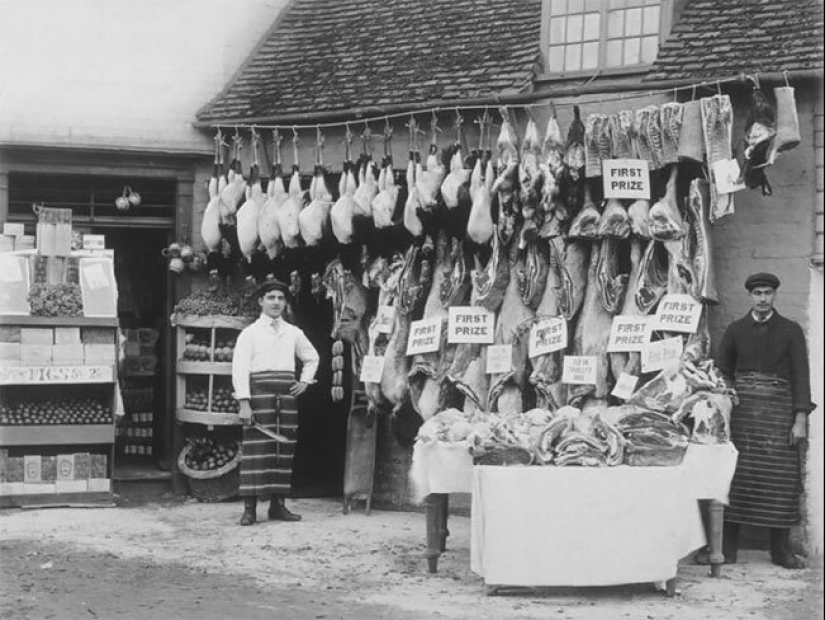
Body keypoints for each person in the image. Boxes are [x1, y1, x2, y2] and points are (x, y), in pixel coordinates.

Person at [713, 272, 815, 568]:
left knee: (781, 481)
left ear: (774, 296)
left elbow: (801, 376)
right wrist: (729, 397)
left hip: (779, 415)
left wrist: (800, 419)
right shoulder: (735, 330)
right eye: (757, 293)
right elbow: (721, 372)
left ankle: (780, 551)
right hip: (742, 416)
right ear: (749, 296)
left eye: (767, 293)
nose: (762, 298)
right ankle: (728, 549)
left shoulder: (790, 330)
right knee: (737, 477)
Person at [232, 279, 319, 526]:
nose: (276, 302)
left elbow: (312, 358)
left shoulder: (293, 332)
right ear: (261, 301)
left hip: (287, 399)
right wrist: (244, 403)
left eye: (280, 298)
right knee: (256, 451)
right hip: (259, 398)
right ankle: (250, 508)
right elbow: (240, 369)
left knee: (283, 451)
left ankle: (277, 506)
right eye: (271, 297)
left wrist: (305, 382)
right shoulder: (249, 334)